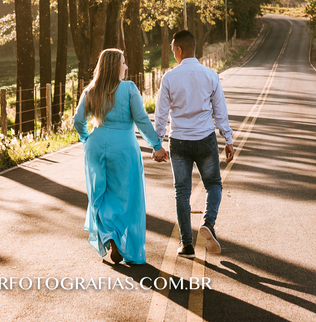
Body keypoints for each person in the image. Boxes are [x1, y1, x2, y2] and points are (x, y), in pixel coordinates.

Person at [73, 47, 167, 265]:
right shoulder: (129, 88)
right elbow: (142, 120)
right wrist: (156, 145)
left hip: (96, 144)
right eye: (123, 62)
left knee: (100, 193)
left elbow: (78, 120)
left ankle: (108, 232)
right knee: (128, 194)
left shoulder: (90, 91)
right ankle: (121, 240)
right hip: (124, 146)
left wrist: (87, 139)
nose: (126, 66)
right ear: (115, 66)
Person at [152, 29, 235, 258]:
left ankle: (186, 244)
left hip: (179, 140)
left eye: (173, 51)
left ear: (179, 49)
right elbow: (220, 111)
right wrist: (227, 138)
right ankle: (208, 222)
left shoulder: (169, 77)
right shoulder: (210, 75)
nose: (173, 55)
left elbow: (161, 115)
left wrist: (157, 144)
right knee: (213, 184)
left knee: (182, 192)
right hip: (205, 139)